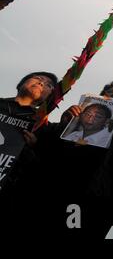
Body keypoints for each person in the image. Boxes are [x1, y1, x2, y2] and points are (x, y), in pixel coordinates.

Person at [36, 81, 113, 239]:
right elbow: (47, 148)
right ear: (100, 98)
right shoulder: (75, 119)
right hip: (61, 192)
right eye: (111, 92)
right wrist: (66, 122)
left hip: (101, 203)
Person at [0, 71, 58, 238]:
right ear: (22, 83)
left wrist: (34, 148)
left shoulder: (42, 128)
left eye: (48, 85)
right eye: (38, 79)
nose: (41, 83)